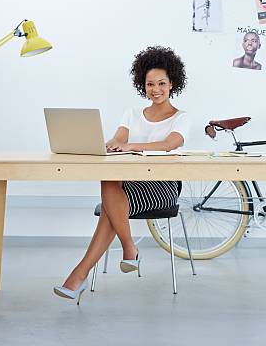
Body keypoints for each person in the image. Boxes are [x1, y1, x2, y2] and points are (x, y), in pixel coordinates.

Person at [53, 46, 189, 303]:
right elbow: (118, 139)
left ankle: (80, 274)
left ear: (172, 83)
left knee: (110, 208)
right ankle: (127, 249)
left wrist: (131, 146)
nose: (156, 89)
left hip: (163, 187)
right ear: (143, 85)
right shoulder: (132, 114)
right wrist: (100, 144)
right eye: (150, 84)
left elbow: (169, 144)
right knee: (109, 180)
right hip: (129, 184)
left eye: (161, 83)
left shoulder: (180, 117)